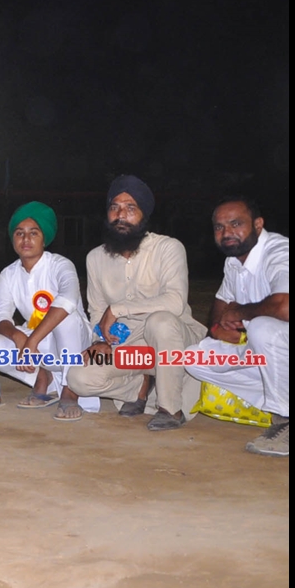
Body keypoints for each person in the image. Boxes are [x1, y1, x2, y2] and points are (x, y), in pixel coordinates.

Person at [66, 175, 204, 431]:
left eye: (131, 208)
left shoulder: (168, 248)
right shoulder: (95, 258)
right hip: (131, 346)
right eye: (114, 207)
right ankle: (139, 387)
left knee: (160, 321)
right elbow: (97, 310)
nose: (121, 215)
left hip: (174, 340)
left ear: (144, 215)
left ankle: (170, 408)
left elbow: (175, 302)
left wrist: (118, 309)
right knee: (78, 377)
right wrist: (100, 341)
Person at [183, 197, 288, 456]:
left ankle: (283, 419)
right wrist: (218, 330)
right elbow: (219, 311)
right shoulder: (233, 262)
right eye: (219, 227)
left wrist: (240, 313)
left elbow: (285, 306)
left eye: (236, 224)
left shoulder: (279, 252)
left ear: (258, 225)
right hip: (269, 354)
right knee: (194, 358)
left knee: (262, 328)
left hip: (277, 343)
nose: (227, 232)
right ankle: (278, 400)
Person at [0, 202, 97, 418]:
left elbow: (67, 300)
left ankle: (70, 391)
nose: (26, 239)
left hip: (75, 344)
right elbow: (0, 317)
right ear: (13, 239)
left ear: (44, 239)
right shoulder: (8, 274)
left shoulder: (61, 265)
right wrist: (19, 337)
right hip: (40, 345)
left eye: (33, 233)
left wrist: (31, 341)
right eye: (19, 233)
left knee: (66, 318)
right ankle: (43, 378)